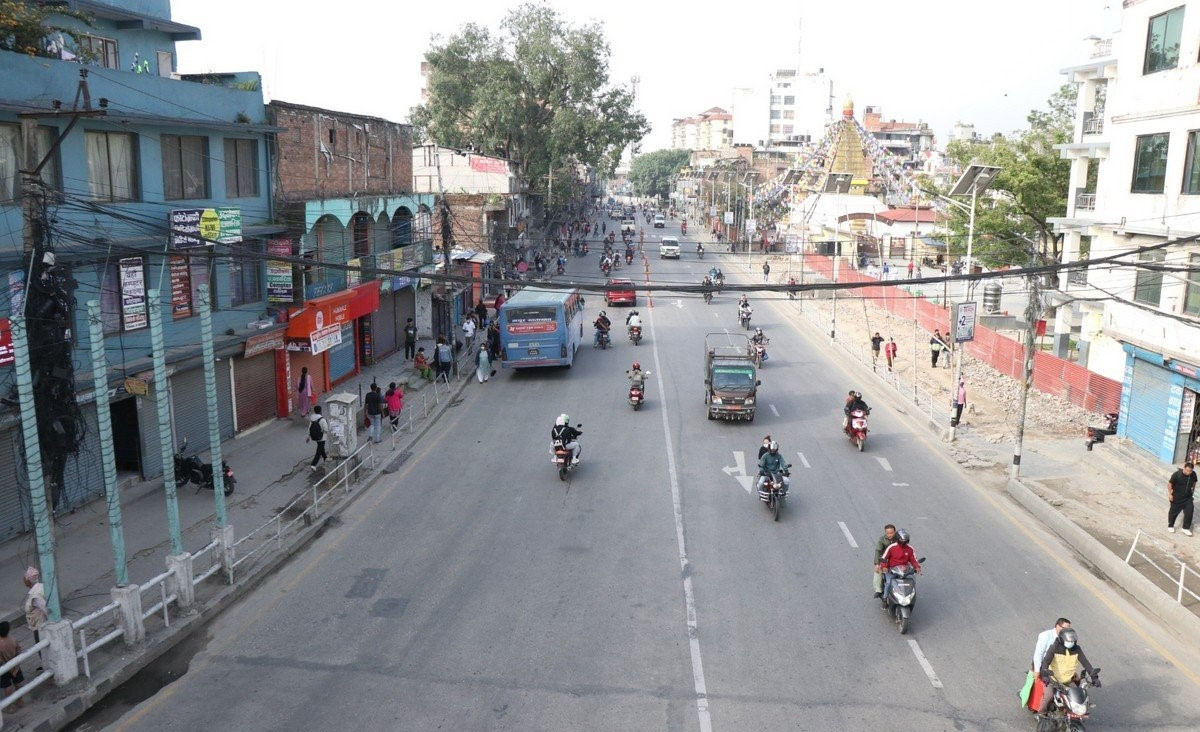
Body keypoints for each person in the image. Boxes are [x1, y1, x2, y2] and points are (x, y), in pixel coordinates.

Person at [1037, 628, 1099, 716]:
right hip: (1052, 680)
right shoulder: (1054, 648)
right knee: (1048, 696)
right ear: (1061, 639)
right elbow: (1045, 663)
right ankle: (1041, 714)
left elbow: (1086, 664)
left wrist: (1094, 677)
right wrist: (1045, 675)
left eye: (1072, 641)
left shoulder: (1077, 649)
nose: (1071, 643)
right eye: (1068, 641)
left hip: (1068, 680)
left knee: (1080, 697)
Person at [878, 529, 921, 601]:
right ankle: (885, 598)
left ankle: (911, 598)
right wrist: (884, 566)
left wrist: (917, 567)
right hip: (892, 570)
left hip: (905, 570)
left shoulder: (910, 549)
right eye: (902, 540)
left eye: (905, 540)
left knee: (912, 581)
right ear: (898, 539)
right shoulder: (892, 547)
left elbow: (914, 560)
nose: (903, 542)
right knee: (888, 583)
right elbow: (884, 557)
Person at [22, 567, 46, 670]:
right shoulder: (41, 587)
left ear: (28, 580)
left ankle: (47, 666)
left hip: (39, 625)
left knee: (41, 647)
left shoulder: (35, 596)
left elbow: (45, 609)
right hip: (40, 623)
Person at [1168, 461, 1197, 536]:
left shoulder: (1193, 475)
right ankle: (1170, 525)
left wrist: (1192, 492)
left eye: (1190, 471)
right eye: (1187, 470)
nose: (1188, 472)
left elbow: (1194, 483)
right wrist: (1170, 494)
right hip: (1177, 497)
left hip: (1188, 498)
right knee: (1173, 512)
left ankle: (1185, 528)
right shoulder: (1177, 474)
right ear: (1184, 468)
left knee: (1189, 512)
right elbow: (1170, 484)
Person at [0, 621, 25, 703]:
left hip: (4, 667)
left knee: (7, 686)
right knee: (17, 683)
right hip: (15, 666)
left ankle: (9, 706)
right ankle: (20, 700)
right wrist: (16, 667)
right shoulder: (13, 640)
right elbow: (19, 652)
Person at [872, 524, 897, 597]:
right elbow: (878, 551)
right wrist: (877, 564)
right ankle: (878, 590)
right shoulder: (882, 540)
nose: (889, 535)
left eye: (891, 533)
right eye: (887, 533)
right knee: (878, 571)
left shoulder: (899, 539)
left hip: (896, 560)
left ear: (895, 532)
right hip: (884, 560)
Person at [307, 405, 329, 471]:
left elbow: (309, 428)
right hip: (322, 437)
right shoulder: (322, 419)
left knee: (321, 448)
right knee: (319, 451)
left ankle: (326, 459)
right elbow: (326, 429)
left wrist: (308, 436)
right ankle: (313, 464)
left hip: (315, 436)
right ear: (320, 411)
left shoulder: (312, 419)